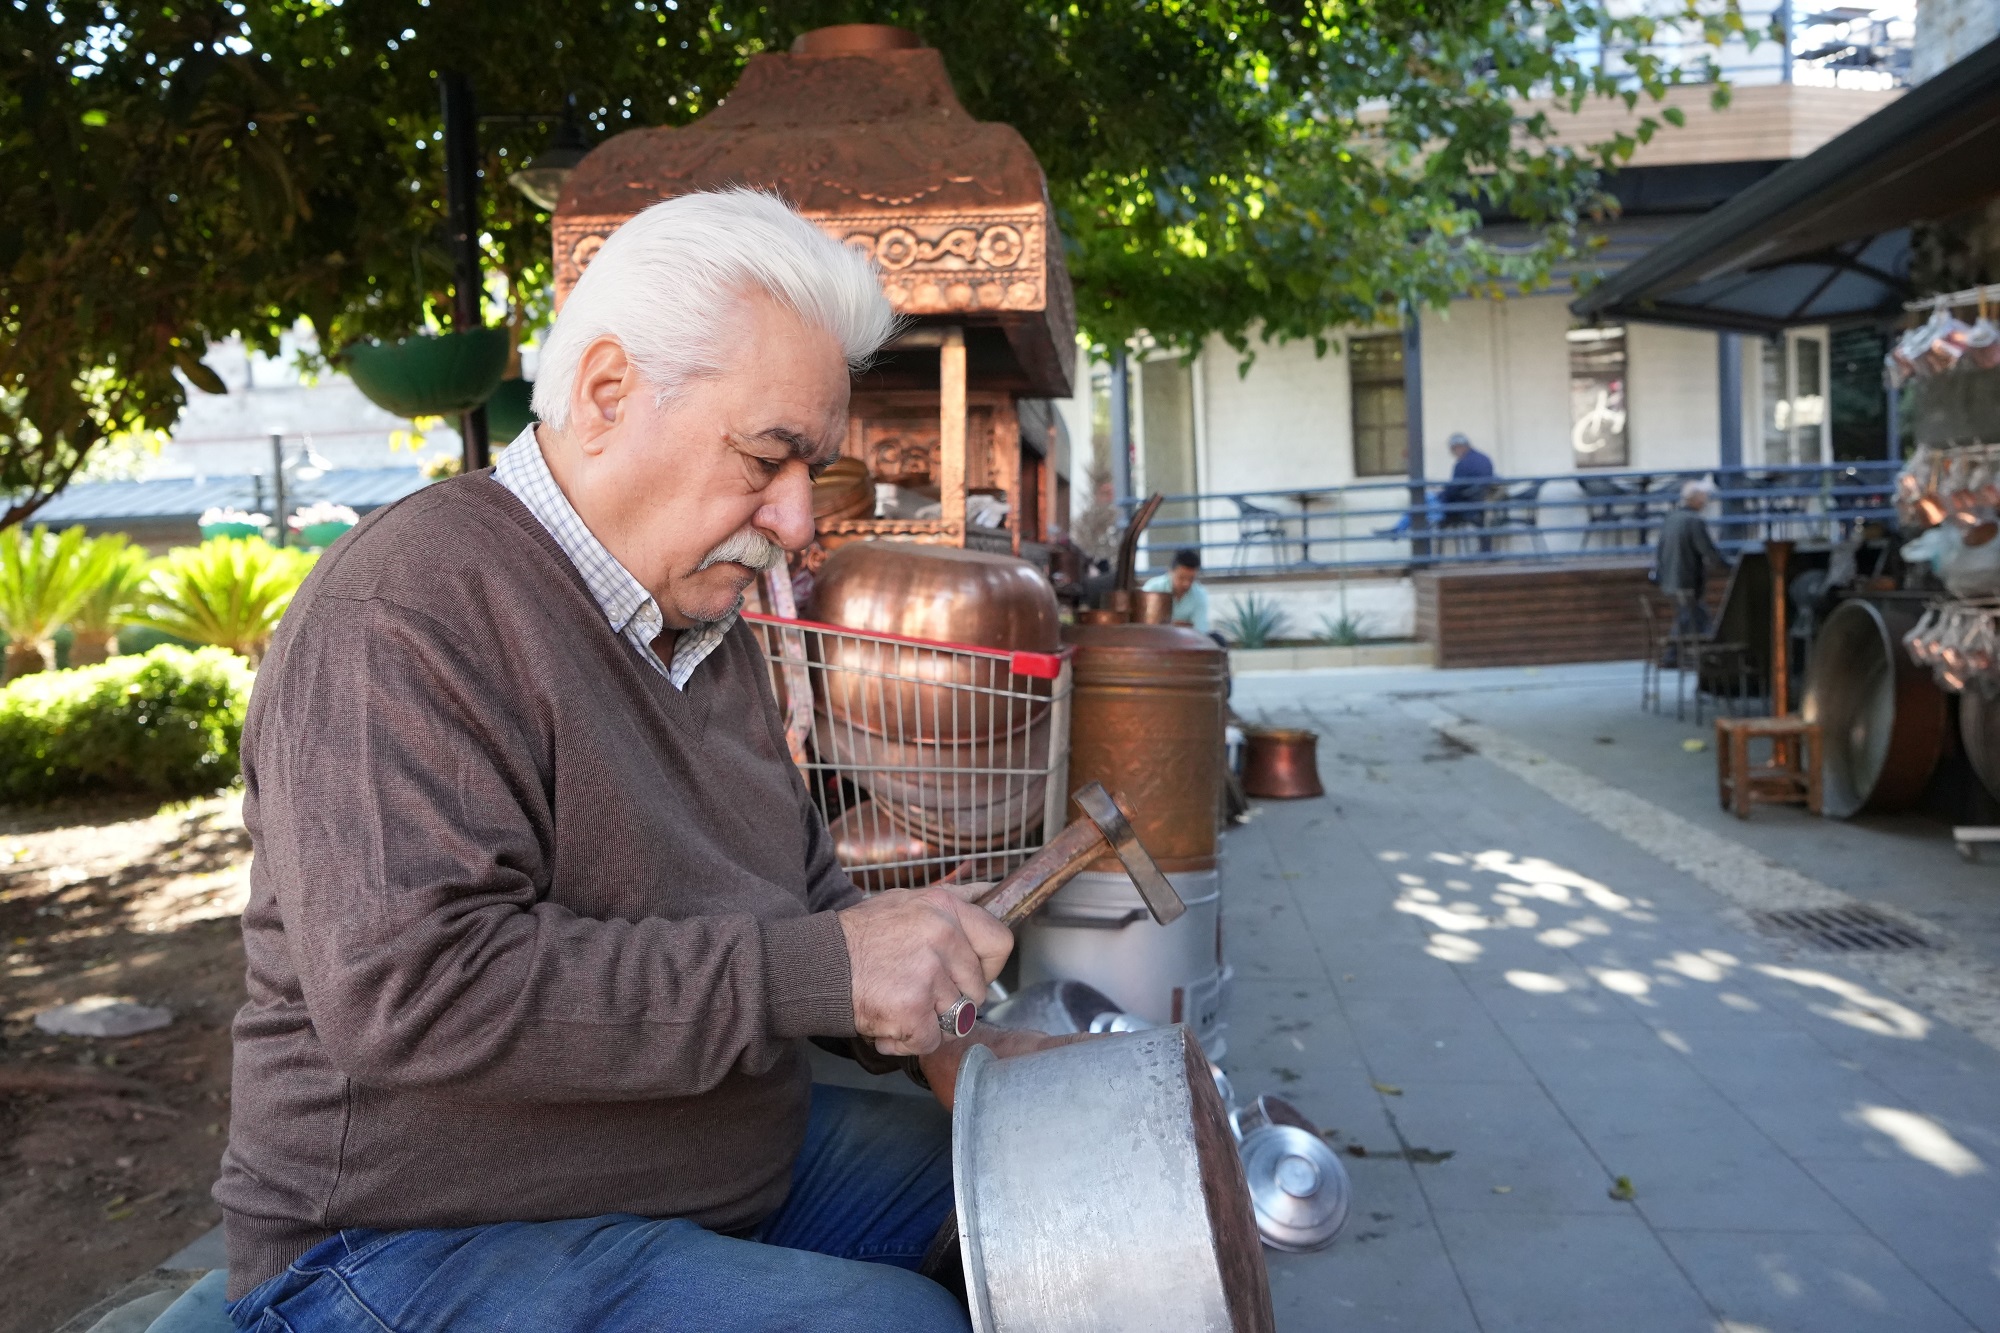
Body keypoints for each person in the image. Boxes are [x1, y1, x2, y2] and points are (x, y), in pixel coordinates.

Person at [216, 190, 1074, 1333]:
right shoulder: (407, 604)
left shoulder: (698, 622)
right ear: (610, 392)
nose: (793, 521)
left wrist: (929, 996)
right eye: (768, 457)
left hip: (692, 1164)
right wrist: (817, 971)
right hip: (397, 1245)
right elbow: (413, 992)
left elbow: (795, 894)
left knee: (1045, 1198)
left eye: (808, 469)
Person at [1655, 478, 1727, 642]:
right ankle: (1673, 654)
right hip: (1686, 580)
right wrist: (1726, 565)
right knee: (1693, 616)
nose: (1706, 500)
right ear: (1697, 498)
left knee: (1691, 616)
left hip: (1670, 578)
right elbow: (1707, 550)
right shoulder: (1694, 521)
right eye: (1704, 496)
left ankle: (1683, 654)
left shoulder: (1672, 518)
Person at [1439, 432, 1496, 551]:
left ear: (1459, 447)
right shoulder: (1484, 458)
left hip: (1463, 506)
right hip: (1479, 504)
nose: (1453, 453)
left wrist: (1441, 494)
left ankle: (1423, 555)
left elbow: (1453, 489)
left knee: (1423, 507)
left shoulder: (1462, 464)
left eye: (1453, 450)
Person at [1142, 547, 1212, 635]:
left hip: (1187, 641)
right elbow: (1144, 624)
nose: (1186, 583)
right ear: (1170, 572)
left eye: (1191, 579)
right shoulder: (1153, 588)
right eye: (1181, 578)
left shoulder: (1200, 594)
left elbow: (1201, 630)